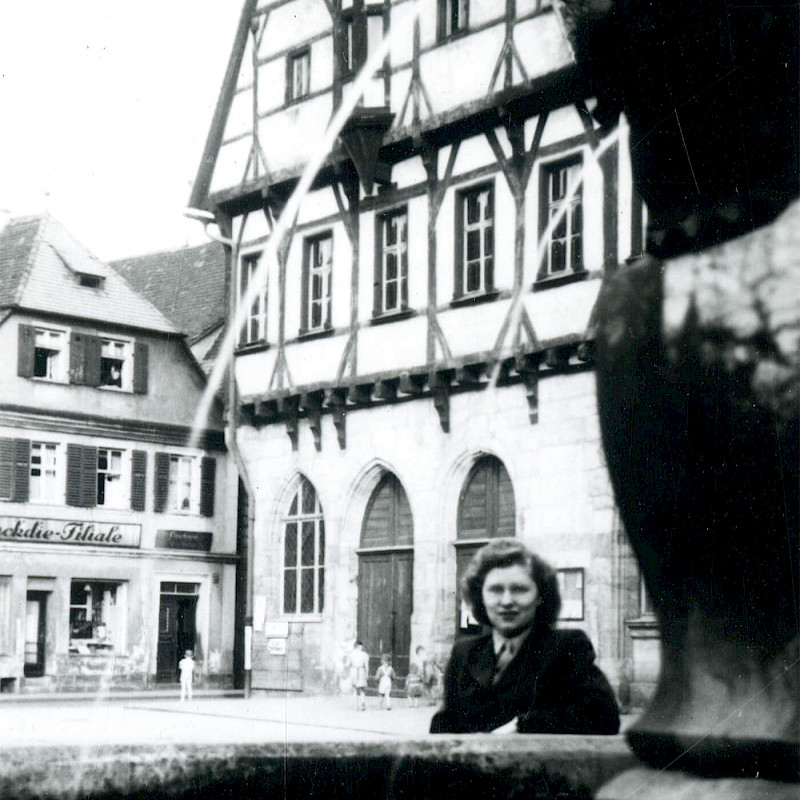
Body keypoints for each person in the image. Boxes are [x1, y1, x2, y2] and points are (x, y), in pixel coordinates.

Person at [430, 539, 620, 734]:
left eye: (519, 589)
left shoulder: (566, 647)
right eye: (496, 590)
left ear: (540, 596)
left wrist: (521, 726)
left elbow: (603, 717)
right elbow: (445, 722)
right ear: (480, 597)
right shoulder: (465, 651)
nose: (506, 601)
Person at [345, 640, 369, 711]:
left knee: (355, 689)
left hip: (354, 671)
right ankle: (362, 703)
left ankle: (356, 706)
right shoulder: (364, 654)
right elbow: (366, 666)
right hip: (361, 671)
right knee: (362, 689)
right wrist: (367, 674)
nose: (362, 647)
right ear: (359, 646)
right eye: (361, 646)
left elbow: (347, 664)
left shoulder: (351, 654)